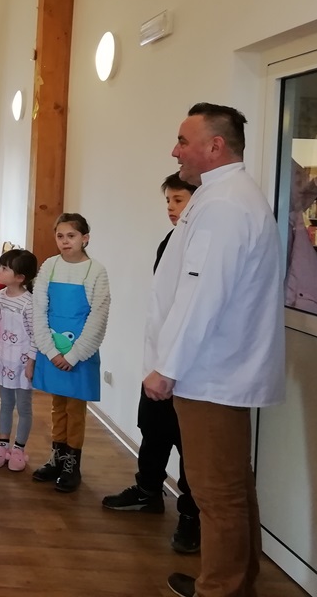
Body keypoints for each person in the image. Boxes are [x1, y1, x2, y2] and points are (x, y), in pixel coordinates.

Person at [144, 104, 284, 597]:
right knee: (232, 486)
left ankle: (220, 589)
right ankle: (235, 581)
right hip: (216, 369)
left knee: (216, 493)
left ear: (215, 146)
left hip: (210, 373)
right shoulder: (224, 195)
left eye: (183, 141)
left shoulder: (225, 205)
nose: (175, 150)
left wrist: (167, 366)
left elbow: (202, 294)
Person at [103, 173, 201, 554]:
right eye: (169, 202)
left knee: (189, 442)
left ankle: (191, 515)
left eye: (179, 200)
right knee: (154, 426)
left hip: (189, 364)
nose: (172, 209)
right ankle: (147, 491)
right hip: (160, 356)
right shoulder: (170, 241)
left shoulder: (203, 244)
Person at [31, 213, 111, 492]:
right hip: (52, 351)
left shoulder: (95, 271)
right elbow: (38, 310)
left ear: (85, 238)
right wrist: (50, 350)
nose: (65, 241)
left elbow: (98, 317)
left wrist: (74, 355)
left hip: (80, 355)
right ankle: (57, 457)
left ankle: (72, 465)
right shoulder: (49, 266)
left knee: (75, 409)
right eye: (60, 236)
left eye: (72, 236)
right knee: (58, 406)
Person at [0, 248, 39, 472]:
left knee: (24, 407)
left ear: (20, 277)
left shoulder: (29, 303)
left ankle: (18, 449)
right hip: (4, 361)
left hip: (23, 365)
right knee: (5, 404)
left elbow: (36, 335)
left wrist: (31, 363)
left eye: (4, 268)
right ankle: (2, 446)